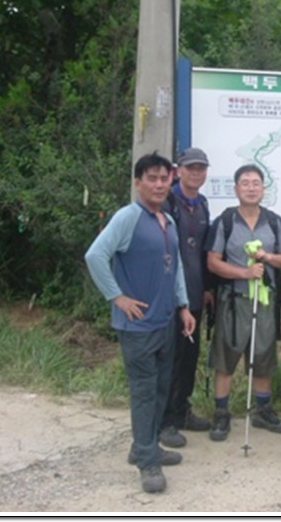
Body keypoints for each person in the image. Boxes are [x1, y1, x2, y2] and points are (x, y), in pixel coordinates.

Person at [85, 152, 196, 494]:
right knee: (145, 392)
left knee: (161, 388)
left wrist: (184, 306)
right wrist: (116, 296)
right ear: (138, 183)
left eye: (164, 178)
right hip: (137, 326)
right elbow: (95, 256)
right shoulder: (127, 217)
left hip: (165, 320)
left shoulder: (168, 220)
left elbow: (174, 265)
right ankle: (148, 462)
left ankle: (143, 446)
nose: (160, 184)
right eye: (152, 178)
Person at [205, 164, 281, 441]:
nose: (251, 188)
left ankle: (263, 410)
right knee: (225, 357)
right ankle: (221, 413)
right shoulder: (226, 221)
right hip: (233, 300)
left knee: (263, 355)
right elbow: (213, 262)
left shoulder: (274, 222)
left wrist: (267, 258)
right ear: (236, 189)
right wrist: (244, 272)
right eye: (245, 183)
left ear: (263, 188)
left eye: (256, 183)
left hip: (265, 301)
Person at [159, 148, 214, 448]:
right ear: (178, 170)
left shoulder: (202, 204)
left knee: (189, 357)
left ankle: (182, 411)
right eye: (191, 168)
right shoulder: (168, 202)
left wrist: (207, 289)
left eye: (201, 168)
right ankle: (166, 421)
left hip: (195, 295)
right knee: (171, 357)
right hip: (170, 297)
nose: (196, 173)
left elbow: (203, 252)